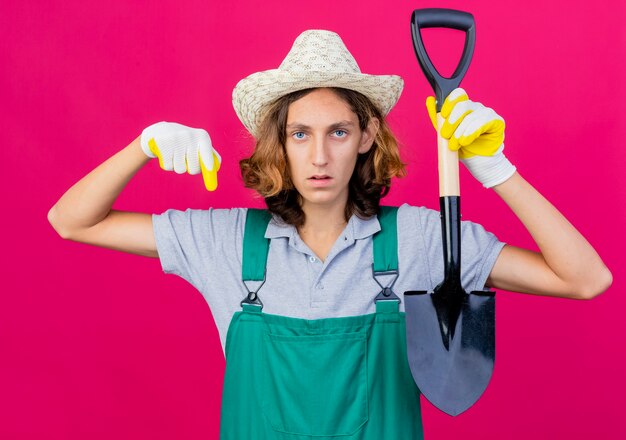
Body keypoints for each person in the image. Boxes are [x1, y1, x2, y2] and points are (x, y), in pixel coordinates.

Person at [48, 29, 612, 439]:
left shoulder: (419, 239)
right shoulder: (224, 243)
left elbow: (584, 279)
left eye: (338, 131)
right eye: (300, 134)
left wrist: (497, 171)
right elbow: (72, 220)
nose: (319, 155)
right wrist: (141, 148)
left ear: (367, 136)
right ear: (280, 143)